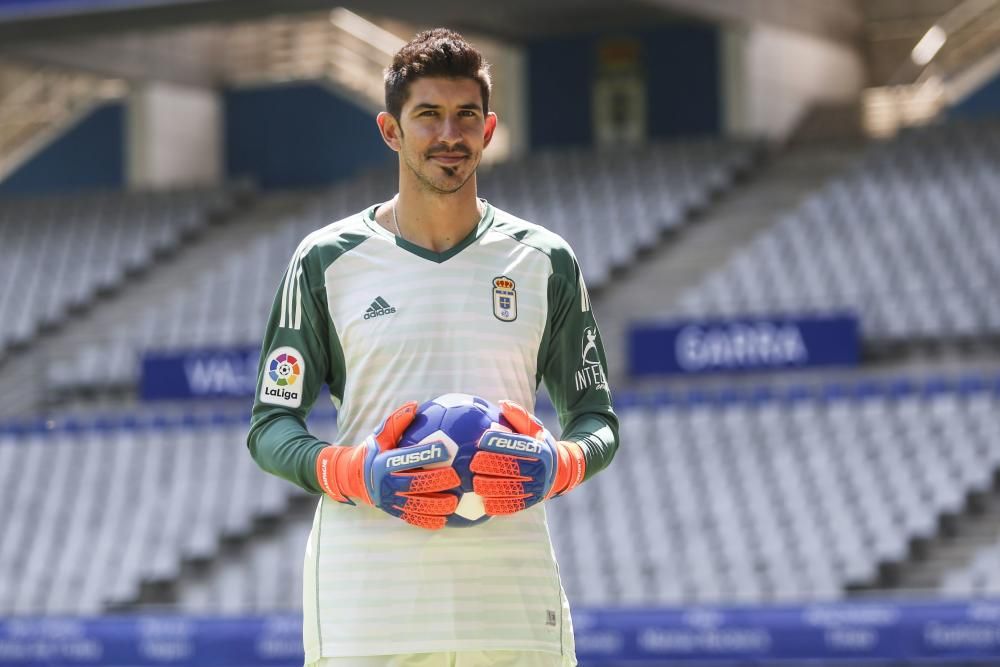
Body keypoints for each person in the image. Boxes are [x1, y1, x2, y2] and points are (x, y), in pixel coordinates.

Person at [248, 28, 619, 667]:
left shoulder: (544, 261)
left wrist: (561, 462)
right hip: (367, 604)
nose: (449, 134)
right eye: (428, 115)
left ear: (490, 128)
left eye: (465, 116)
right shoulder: (326, 260)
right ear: (391, 130)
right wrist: (356, 471)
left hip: (511, 596)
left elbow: (598, 423)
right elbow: (270, 427)